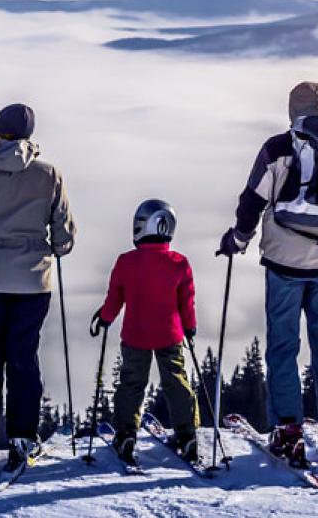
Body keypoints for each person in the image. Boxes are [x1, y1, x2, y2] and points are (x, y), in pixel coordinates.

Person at [218, 81, 318, 469]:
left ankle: (287, 431)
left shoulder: (277, 149)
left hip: (284, 263)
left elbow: (251, 202)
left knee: (283, 345)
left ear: (293, 110)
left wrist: (238, 239)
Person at [0, 103, 76, 482]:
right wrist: (56, 248)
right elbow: (64, 232)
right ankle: (22, 437)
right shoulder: (49, 174)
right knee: (23, 359)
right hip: (32, 284)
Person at [91, 199, 200, 468]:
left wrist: (104, 319)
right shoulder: (179, 263)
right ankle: (187, 434)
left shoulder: (126, 262)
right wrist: (190, 327)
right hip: (170, 333)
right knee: (176, 381)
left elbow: (115, 297)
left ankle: (126, 434)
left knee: (131, 384)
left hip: (136, 334)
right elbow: (187, 301)